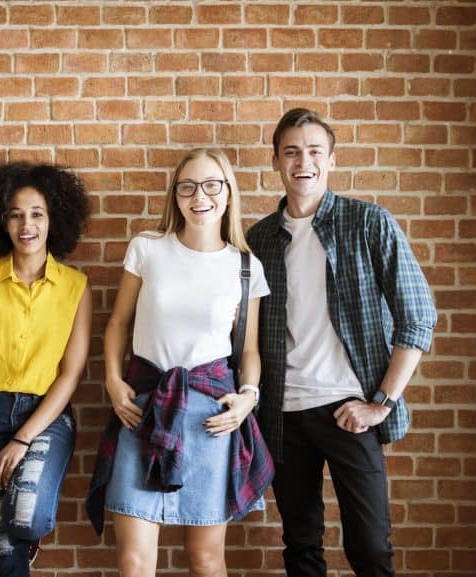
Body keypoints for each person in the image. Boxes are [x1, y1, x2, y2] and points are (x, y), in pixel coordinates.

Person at [246, 109, 437, 577]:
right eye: (291, 152)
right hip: (284, 415)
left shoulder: (368, 223)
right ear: (275, 161)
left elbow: (418, 317)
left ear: (331, 160)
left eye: (314, 151)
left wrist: (382, 402)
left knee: (371, 549)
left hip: (350, 411)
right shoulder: (259, 240)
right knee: (301, 546)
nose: (302, 161)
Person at [86, 148, 274, 577]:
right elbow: (117, 324)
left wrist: (248, 397)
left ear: (228, 194)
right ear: (175, 195)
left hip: (211, 419)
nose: (199, 196)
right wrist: (114, 383)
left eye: (211, 185)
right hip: (143, 409)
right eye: (187, 186)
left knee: (206, 561)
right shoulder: (147, 249)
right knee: (133, 562)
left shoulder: (246, 267)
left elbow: (248, 351)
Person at [0, 162, 92, 577]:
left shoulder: (75, 286)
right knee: (2, 551)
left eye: (36, 214)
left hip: (44, 417)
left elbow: (71, 374)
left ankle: (28, 535)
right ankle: (18, 550)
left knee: (25, 517)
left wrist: (22, 438)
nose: (25, 224)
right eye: (15, 214)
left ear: (53, 220)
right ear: (3, 222)